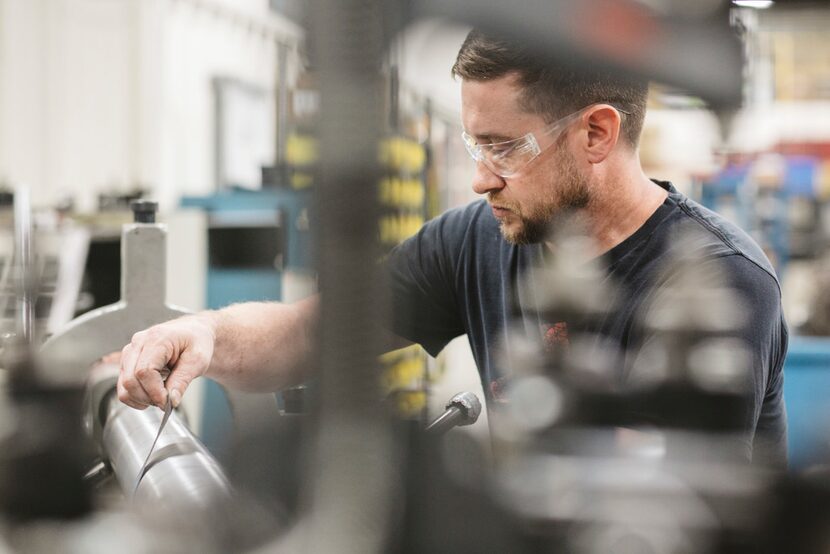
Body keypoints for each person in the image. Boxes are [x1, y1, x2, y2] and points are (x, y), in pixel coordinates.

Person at [118, 30, 787, 465]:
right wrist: (206, 334)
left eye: (504, 148)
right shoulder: (476, 238)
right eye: (476, 145)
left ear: (597, 135)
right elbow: (310, 334)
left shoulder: (716, 287)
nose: (479, 177)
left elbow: (644, 508)